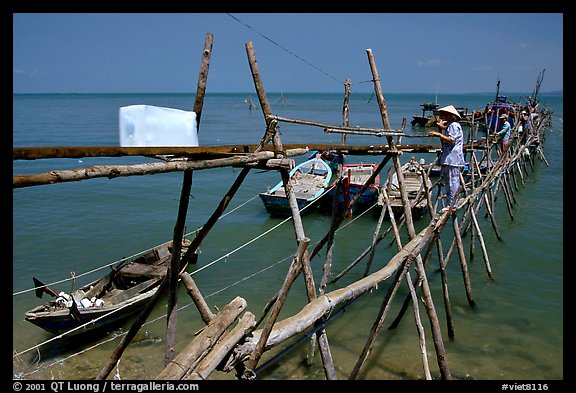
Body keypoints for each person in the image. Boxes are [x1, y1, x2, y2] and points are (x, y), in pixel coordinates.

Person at [428, 105, 465, 213]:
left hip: (452, 158)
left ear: (450, 115)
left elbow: (451, 140)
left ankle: (452, 204)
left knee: (452, 181)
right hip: (450, 158)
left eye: (444, 114)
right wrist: (442, 127)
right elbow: (449, 131)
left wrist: (438, 134)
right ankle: (451, 203)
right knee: (450, 181)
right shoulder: (451, 125)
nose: (442, 116)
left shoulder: (454, 125)